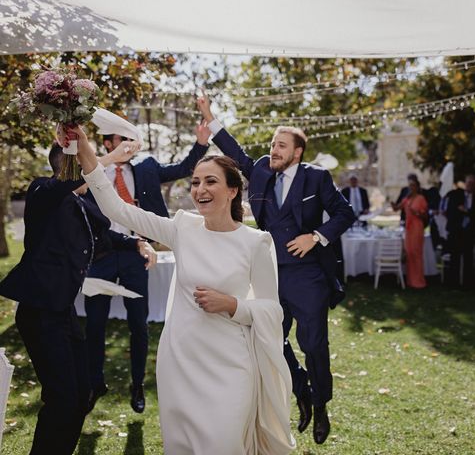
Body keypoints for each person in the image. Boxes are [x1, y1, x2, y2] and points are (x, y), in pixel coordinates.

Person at [67, 126, 296, 455]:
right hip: (181, 363)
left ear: (234, 191)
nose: (200, 189)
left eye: (211, 181)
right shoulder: (183, 228)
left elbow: (273, 311)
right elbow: (117, 209)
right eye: (195, 182)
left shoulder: (255, 242)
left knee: (224, 444)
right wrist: (86, 148)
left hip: (232, 366)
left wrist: (233, 304)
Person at [197, 94, 355, 445]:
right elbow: (234, 151)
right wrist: (210, 116)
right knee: (268, 338)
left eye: (282, 146)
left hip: (307, 275)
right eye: (273, 144)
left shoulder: (317, 178)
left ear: (297, 152)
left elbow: (345, 214)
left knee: (313, 342)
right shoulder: (263, 172)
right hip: (268, 273)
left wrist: (316, 237)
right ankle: (300, 388)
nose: (275, 149)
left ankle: (321, 403)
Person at [0, 140, 138, 455]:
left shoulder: (80, 205)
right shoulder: (42, 193)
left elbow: (104, 235)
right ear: (70, 168)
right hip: (38, 311)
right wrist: (110, 157)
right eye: (84, 164)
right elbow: (63, 185)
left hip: (62, 312)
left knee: (84, 392)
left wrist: (137, 244)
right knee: (62, 398)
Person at [84, 125, 209, 413]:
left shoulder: (147, 167)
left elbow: (184, 168)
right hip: (100, 256)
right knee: (94, 325)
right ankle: (94, 382)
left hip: (137, 254)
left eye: (130, 139)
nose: (129, 144)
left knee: (138, 325)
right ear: (107, 143)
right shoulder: (92, 172)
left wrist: (201, 143)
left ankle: (137, 384)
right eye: (122, 139)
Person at [445, 175, 475, 287]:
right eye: (468, 183)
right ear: (465, 183)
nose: (470, 186)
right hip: (456, 230)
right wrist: (467, 212)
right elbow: (451, 211)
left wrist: (466, 211)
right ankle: (453, 282)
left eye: (473, 184)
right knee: (454, 257)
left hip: (469, 232)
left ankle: (467, 282)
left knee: (468, 258)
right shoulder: (456, 195)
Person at [392, 177, 427, 288]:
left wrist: (416, 213)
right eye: (409, 186)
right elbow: (397, 209)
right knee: (409, 253)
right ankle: (410, 281)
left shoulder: (421, 198)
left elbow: (425, 216)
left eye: (413, 185)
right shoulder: (407, 198)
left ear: (417, 187)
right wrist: (392, 204)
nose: (411, 188)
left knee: (416, 253)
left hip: (417, 227)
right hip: (408, 229)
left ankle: (419, 282)